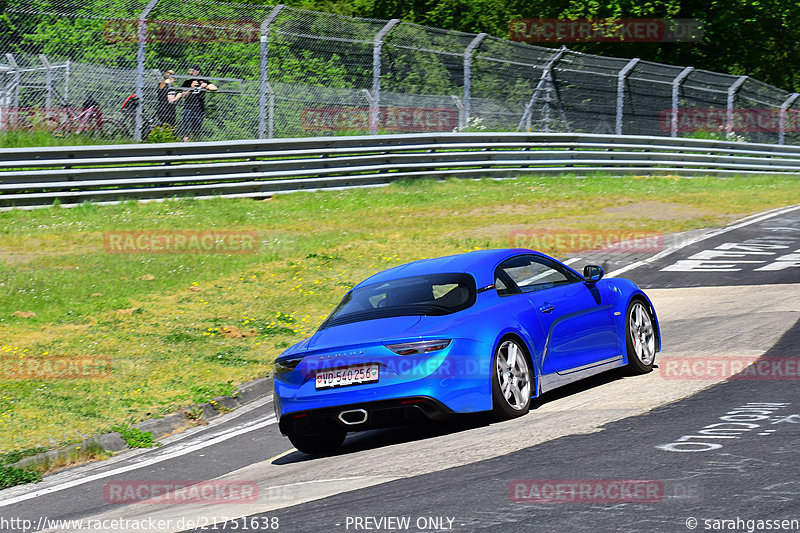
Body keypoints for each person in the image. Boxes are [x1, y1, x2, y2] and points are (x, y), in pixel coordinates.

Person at [180, 66, 217, 142]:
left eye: (192, 71)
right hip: (188, 108)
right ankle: (185, 145)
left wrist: (206, 86)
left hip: (199, 109)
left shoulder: (203, 81)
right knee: (186, 131)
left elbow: (214, 88)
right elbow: (184, 96)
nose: (190, 72)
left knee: (196, 131)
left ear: (197, 72)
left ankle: (194, 145)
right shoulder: (187, 82)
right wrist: (191, 88)